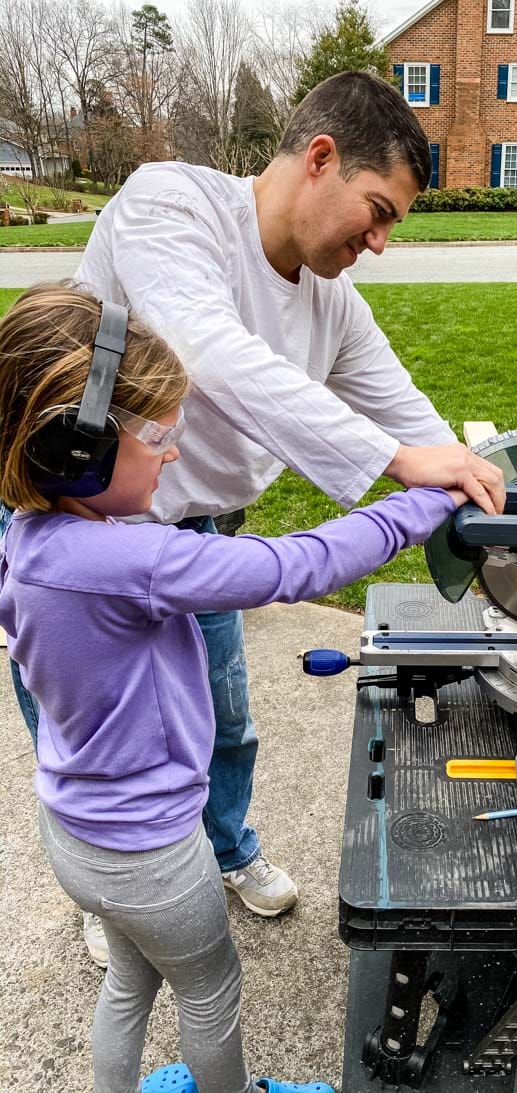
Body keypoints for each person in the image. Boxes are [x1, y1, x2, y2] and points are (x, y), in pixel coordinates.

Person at [43, 69, 504, 961]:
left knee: (223, 718)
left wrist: (490, 489)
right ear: (321, 158)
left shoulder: (334, 303)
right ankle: (113, 892)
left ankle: (224, 848)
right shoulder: (170, 205)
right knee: (91, 733)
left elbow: (410, 417)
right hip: (80, 530)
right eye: (377, 211)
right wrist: (398, 465)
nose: (378, 242)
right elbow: (206, 349)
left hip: (192, 529)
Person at [0, 283, 467, 1093]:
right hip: (151, 850)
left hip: (75, 834)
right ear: (74, 450)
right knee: (211, 990)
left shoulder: (32, 542)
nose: (173, 452)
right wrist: (418, 505)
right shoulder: (133, 562)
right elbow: (291, 566)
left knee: (130, 981)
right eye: (157, 434)